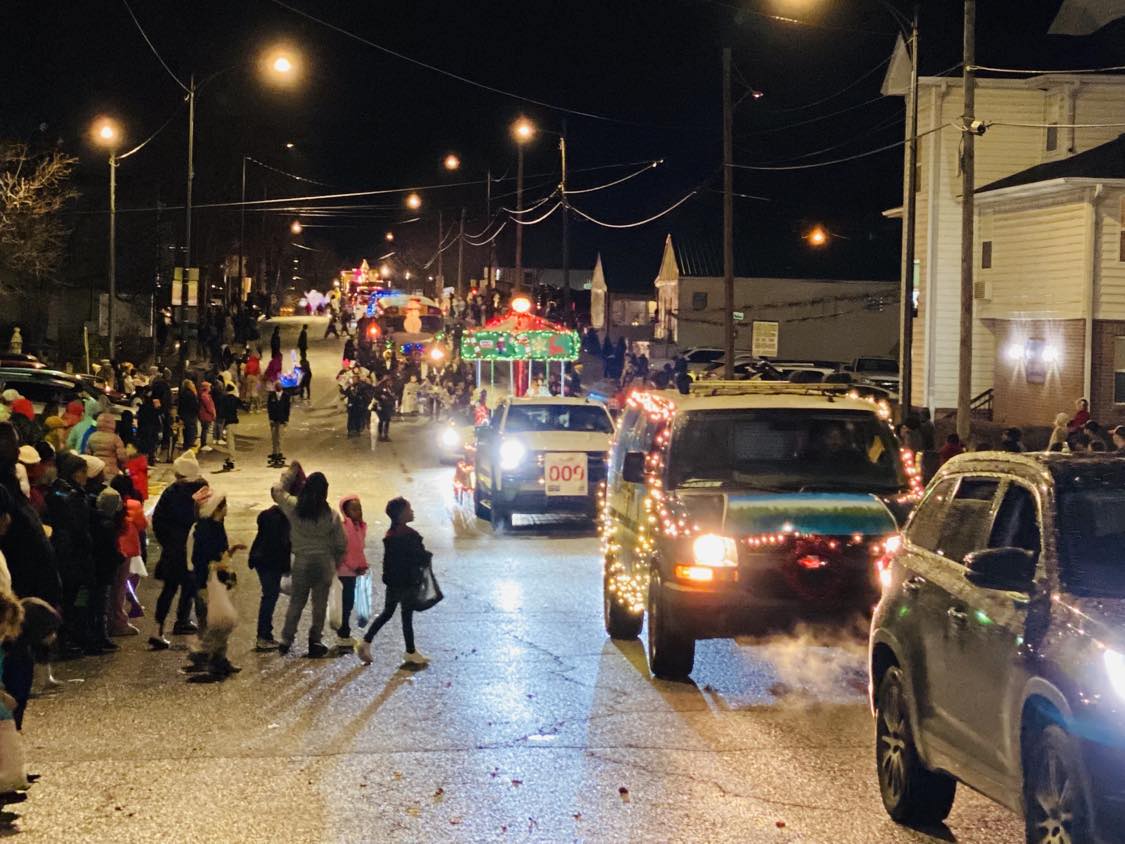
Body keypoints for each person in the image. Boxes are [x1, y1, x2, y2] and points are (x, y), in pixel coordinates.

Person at [270, 465, 347, 658]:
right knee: (319, 604)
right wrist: (335, 563)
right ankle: (315, 640)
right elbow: (341, 544)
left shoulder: (295, 508)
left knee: (296, 602)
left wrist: (290, 473)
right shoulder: (330, 515)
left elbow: (276, 491)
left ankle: (286, 640)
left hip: (302, 561)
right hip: (323, 563)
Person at [357, 497, 429, 666]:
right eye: (409, 509)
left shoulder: (391, 535)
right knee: (406, 616)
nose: (412, 511)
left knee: (388, 613)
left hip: (394, 582)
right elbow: (418, 557)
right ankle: (410, 651)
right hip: (407, 582)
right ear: (401, 514)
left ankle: (366, 641)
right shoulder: (409, 536)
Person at [148, 451, 208, 649]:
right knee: (194, 588)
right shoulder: (203, 491)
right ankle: (190, 625)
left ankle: (158, 628)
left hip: (174, 549)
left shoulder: (172, 492)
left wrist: (168, 542)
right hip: (195, 548)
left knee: (169, 589)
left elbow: (157, 520)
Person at [186, 490, 244, 678]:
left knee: (222, 621)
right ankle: (208, 657)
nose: (227, 509)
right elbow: (200, 558)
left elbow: (220, 554)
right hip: (207, 582)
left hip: (218, 581)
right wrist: (212, 571)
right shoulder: (204, 529)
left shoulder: (217, 525)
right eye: (223, 505)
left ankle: (218, 659)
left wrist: (231, 551)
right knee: (215, 622)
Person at [248, 503, 291, 650]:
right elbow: (283, 545)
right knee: (269, 596)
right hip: (270, 562)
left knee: (269, 596)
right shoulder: (285, 520)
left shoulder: (267, 515)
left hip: (260, 560)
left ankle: (265, 635)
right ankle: (263, 636)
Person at [336, 494, 369, 647]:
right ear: (346, 512)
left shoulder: (359, 527)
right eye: (354, 509)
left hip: (353, 571)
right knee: (346, 603)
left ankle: (344, 631)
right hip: (345, 571)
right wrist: (355, 566)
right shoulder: (344, 528)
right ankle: (343, 633)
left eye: (359, 508)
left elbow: (359, 550)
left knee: (347, 603)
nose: (358, 512)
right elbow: (343, 551)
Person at [85, 412, 126, 478]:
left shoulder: (92, 436)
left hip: (97, 470)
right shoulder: (115, 438)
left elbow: (88, 454)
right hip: (111, 470)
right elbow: (121, 457)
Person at [267, 381, 290, 467]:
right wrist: (270, 419)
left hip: (281, 420)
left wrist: (286, 419)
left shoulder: (286, 396)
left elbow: (287, 408)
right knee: (274, 437)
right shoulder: (271, 396)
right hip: (274, 420)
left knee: (280, 437)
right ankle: (274, 452)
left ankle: (279, 452)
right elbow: (269, 408)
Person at [218, 383, 241, 472]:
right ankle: (232, 459)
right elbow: (242, 406)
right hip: (235, 421)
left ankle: (232, 460)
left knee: (230, 442)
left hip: (228, 422)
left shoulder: (223, 399)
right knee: (232, 441)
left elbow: (221, 411)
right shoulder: (235, 399)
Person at [178, 379, 200, 451]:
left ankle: (186, 444)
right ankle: (189, 445)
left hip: (184, 414)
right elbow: (194, 405)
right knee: (190, 429)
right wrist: (197, 409)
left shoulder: (183, 393)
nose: (193, 385)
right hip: (190, 414)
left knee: (186, 429)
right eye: (192, 384)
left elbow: (180, 405)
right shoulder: (191, 394)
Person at [198, 382, 216, 450]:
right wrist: (213, 413)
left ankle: (204, 444)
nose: (210, 388)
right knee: (205, 430)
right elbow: (209, 406)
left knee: (205, 429)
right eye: (209, 387)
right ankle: (203, 444)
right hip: (205, 415)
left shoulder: (205, 395)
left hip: (205, 415)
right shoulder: (205, 396)